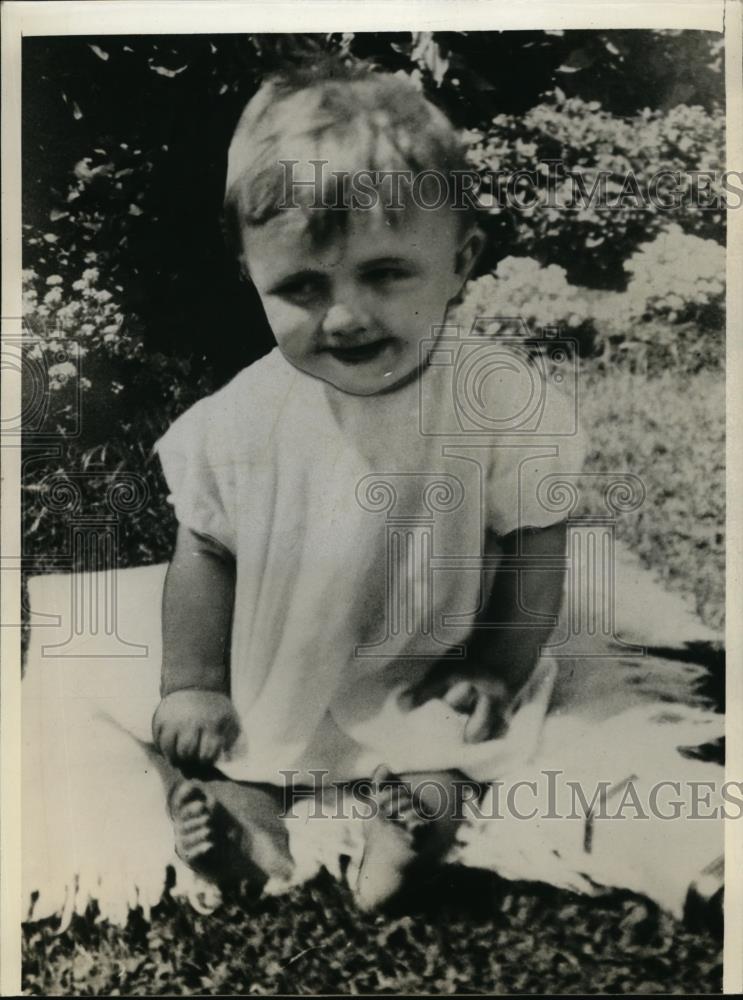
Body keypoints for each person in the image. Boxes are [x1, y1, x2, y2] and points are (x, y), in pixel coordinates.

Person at [150, 57, 591, 909]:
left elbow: (538, 536)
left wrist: (496, 666)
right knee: (241, 757)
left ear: (459, 261)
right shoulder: (240, 419)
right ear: (252, 275)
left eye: (385, 274)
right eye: (303, 288)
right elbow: (204, 546)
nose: (344, 316)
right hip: (283, 672)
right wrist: (193, 681)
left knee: (443, 756)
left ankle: (410, 830)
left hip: (429, 666)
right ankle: (244, 836)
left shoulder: (498, 403)